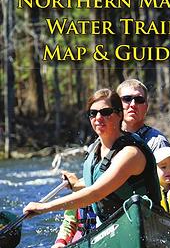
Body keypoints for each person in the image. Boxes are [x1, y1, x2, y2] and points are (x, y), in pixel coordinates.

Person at [24, 89, 161, 237]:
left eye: (106, 112)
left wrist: (45, 207)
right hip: (112, 229)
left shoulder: (130, 154)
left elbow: (96, 192)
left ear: (120, 114)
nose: (98, 118)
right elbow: (105, 178)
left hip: (147, 228)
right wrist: (76, 184)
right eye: (93, 113)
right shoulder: (95, 149)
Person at [117, 78, 170, 152]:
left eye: (139, 100)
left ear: (146, 106)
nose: (133, 104)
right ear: (117, 104)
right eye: (127, 99)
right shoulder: (108, 139)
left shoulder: (157, 142)